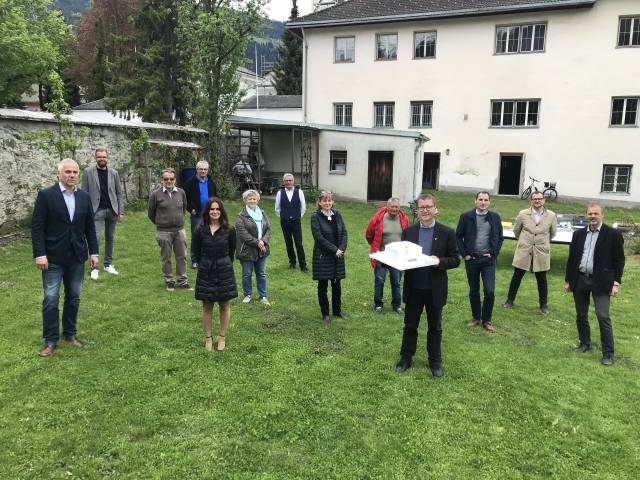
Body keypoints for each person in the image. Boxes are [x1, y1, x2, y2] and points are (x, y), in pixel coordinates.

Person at [31, 159, 99, 357]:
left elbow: (89, 228)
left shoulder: (85, 198)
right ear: (59, 174)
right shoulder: (46, 196)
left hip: (77, 256)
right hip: (52, 257)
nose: (72, 175)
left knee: (74, 297)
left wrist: (94, 253)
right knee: (51, 299)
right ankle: (50, 340)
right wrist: (40, 254)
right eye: (68, 171)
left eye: (75, 172)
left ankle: (70, 333)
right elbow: (37, 227)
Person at [395, 194, 460, 377]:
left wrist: (439, 261)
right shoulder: (409, 232)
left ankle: (435, 362)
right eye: (421, 207)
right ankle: (406, 358)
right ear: (417, 210)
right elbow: (403, 256)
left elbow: (456, 259)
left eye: (428, 207)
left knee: (435, 327)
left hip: (434, 289)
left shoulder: (447, 232)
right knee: (410, 325)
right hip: (414, 287)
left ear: (435, 209)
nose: (425, 210)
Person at [565, 202, 625, 366]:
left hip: (602, 281)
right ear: (586, 215)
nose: (592, 216)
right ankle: (585, 343)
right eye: (590, 213)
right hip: (580, 279)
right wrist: (569, 281)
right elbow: (572, 259)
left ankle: (608, 353)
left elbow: (619, 261)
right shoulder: (578, 234)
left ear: (602, 215)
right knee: (581, 314)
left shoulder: (612, 235)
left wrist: (616, 283)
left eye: (595, 214)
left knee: (603, 316)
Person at [193, 197, 237, 352]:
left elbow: (232, 252)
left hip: (224, 269)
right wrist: (202, 264)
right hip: (206, 270)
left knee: (224, 304)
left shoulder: (229, 230)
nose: (215, 212)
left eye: (218, 209)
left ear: (221, 211)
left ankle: (222, 337)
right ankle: (208, 338)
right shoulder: (200, 230)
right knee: (207, 305)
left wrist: (224, 263)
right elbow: (196, 251)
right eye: (212, 209)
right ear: (208, 211)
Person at [455, 191, 504, 332]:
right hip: (472, 260)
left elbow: (500, 237)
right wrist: (465, 255)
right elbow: (458, 236)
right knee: (474, 290)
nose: (483, 202)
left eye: (486, 200)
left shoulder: (495, 217)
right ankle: (476, 317)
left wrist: (494, 253)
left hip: (488, 260)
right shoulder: (466, 217)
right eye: (480, 199)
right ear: (475, 201)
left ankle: (487, 320)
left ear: (489, 202)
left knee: (489, 291)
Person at [503, 191, 557, 314]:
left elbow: (552, 233)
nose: (537, 201)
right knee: (517, 276)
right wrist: (525, 241)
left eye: (540, 199)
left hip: (541, 250)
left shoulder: (551, 215)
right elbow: (516, 230)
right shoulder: (523, 214)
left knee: (542, 278)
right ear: (531, 201)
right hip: (524, 249)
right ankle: (510, 300)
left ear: (544, 200)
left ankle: (543, 305)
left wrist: (541, 242)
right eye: (535, 199)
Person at [81, 148, 124, 280]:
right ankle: (94, 268)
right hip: (96, 211)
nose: (102, 159)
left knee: (110, 238)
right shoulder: (88, 172)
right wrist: (85, 212)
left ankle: (108, 264)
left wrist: (120, 211)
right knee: (96, 239)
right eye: (99, 157)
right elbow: (84, 193)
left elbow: (119, 193)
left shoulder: (114, 173)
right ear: (95, 158)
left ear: (107, 158)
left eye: (104, 157)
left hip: (112, 210)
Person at [365, 197, 409, 314]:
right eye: (392, 207)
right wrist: (375, 246)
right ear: (387, 206)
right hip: (382, 255)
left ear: (399, 208)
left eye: (397, 207)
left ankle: (397, 306)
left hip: (397, 257)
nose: (394, 209)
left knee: (397, 282)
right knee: (379, 281)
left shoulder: (404, 219)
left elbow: (407, 235)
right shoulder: (378, 218)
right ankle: (378, 305)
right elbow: (369, 234)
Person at [148, 168, 189, 291]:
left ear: (175, 179)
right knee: (166, 257)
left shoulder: (181, 192)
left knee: (181, 256)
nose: (169, 181)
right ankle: (169, 281)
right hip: (163, 232)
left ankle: (182, 281)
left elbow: (184, 209)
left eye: (171, 179)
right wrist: (161, 223)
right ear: (162, 180)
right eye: (166, 179)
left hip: (179, 231)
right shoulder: (156, 194)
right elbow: (151, 213)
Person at [310, 191, 348, 325]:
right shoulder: (315, 217)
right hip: (323, 256)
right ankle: (325, 314)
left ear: (332, 202)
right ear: (320, 203)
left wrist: (341, 249)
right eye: (324, 201)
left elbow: (344, 233)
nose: (327, 203)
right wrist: (335, 250)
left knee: (337, 285)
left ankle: (337, 311)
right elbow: (318, 237)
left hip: (338, 255)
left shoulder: (337, 214)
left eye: (329, 200)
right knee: (323, 285)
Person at [235, 189, 272, 305]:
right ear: (245, 200)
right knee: (247, 274)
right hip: (247, 250)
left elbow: (268, 229)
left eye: (254, 198)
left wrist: (263, 241)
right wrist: (257, 242)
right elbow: (243, 233)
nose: (252, 200)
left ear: (257, 200)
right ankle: (247, 295)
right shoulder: (241, 216)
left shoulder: (262, 213)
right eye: (249, 199)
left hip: (262, 249)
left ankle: (263, 296)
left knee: (261, 273)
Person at [183, 160, 218, 269]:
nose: (203, 171)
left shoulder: (211, 181)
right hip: (197, 215)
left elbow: (216, 196)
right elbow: (183, 198)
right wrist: (190, 209)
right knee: (196, 237)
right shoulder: (190, 182)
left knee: (211, 236)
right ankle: (195, 260)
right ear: (197, 170)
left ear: (207, 170)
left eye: (205, 169)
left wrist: (216, 209)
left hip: (211, 214)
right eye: (201, 169)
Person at [275, 173, 308, 273]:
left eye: (290, 180)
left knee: (299, 244)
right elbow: (277, 208)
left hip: (296, 221)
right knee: (288, 243)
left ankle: (303, 265)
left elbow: (303, 207)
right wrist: (284, 217)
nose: (288, 182)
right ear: (283, 182)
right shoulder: (280, 193)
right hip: (284, 222)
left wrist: (297, 217)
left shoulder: (299, 192)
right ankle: (292, 262)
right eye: (286, 181)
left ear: (293, 181)